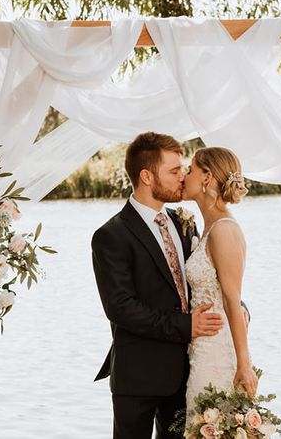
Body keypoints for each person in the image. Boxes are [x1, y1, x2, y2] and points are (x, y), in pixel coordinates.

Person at [91, 132, 224, 439]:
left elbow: (204, 279)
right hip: (137, 375)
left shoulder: (183, 222)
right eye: (174, 171)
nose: (182, 177)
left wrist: (234, 310)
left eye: (183, 170)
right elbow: (121, 308)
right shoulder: (111, 235)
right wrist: (186, 325)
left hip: (187, 372)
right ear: (147, 176)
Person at [182, 146, 258, 415]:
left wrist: (243, 364)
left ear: (206, 177)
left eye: (189, 169)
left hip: (216, 352)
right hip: (200, 348)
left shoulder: (224, 230)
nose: (183, 175)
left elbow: (231, 299)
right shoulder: (208, 227)